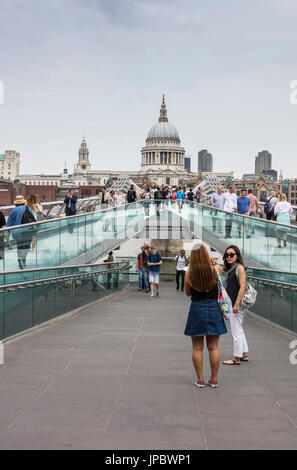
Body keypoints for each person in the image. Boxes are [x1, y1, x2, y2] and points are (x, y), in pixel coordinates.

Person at [184, 243, 227, 388]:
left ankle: (200, 379)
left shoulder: (189, 273)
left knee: (197, 347)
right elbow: (220, 269)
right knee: (213, 347)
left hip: (196, 308)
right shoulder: (216, 270)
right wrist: (212, 263)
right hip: (214, 308)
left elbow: (187, 293)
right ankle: (214, 379)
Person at [213, 245, 249, 365]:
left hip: (236, 304)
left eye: (232, 255)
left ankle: (236, 357)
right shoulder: (232, 268)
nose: (229, 257)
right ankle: (243, 353)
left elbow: (242, 287)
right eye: (227, 255)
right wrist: (214, 263)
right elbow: (222, 274)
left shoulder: (239, 268)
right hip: (233, 303)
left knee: (236, 331)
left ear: (237, 256)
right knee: (239, 329)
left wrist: (236, 304)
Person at [6, 195, 36, 269]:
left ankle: (19, 257)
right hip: (27, 231)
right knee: (26, 246)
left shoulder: (13, 210)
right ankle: (23, 258)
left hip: (17, 232)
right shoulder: (28, 208)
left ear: (16, 203)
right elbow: (33, 220)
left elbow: (9, 224)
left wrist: (8, 240)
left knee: (20, 246)